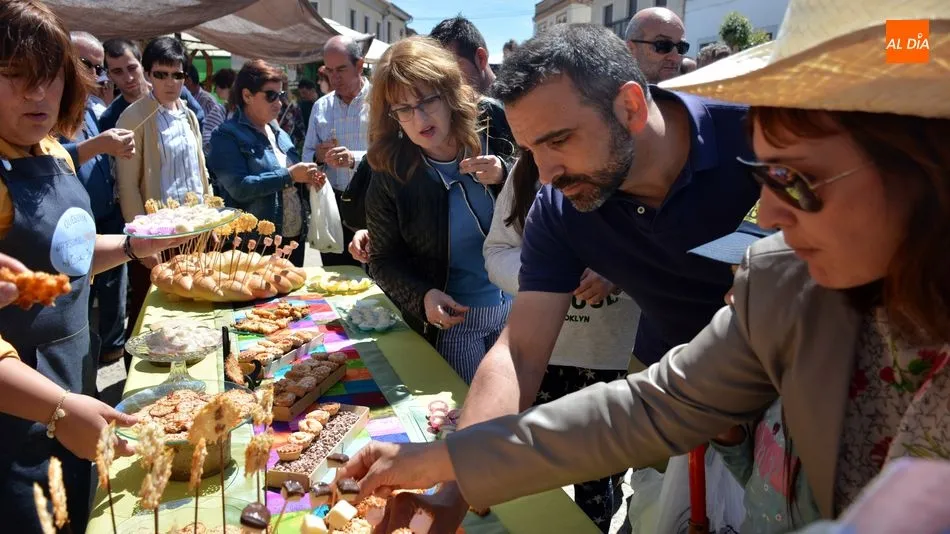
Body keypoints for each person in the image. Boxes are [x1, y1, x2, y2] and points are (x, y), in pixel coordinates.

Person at [341, 5, 950, 534]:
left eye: (794, 180)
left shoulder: (748, 152)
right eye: (764, 180)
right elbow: (641, 403)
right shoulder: (778, 284)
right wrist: (450, 472)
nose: (769, 220)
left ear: (919, 165)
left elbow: (916, 40)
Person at [349, 22, 761, 530]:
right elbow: (519, 353)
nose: (545, 173)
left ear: (630, 107)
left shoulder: (760, 135)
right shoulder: (559, 203)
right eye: (529, 149)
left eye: (559, 140)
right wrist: (451, 494)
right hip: (694, 413)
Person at [0, 2, 183, 530]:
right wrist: (55, 408)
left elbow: (69, 257)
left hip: (73, 383)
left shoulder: (53, 149)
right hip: (18, 413)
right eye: (15, 77)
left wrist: (132, 247)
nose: (37, 94)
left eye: (49, 78)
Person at [483, 152, 641, 531]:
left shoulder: (631, 167)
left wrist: (615, 274)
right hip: (540, 355)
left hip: (609, 361)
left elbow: (666, 259)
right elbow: (496, 251)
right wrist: (544, 277)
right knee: (526, 478)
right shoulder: (527, 170)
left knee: (597, 485)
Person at [365, 37, 512, 384]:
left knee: (510, 414)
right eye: (403, 109)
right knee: (471, 421)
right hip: (453, 325)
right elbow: (383, 260)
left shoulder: (493, 123)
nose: (419, 118)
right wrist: (423, 297)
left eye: (426, 100)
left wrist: (507, 173)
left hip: (514, 312)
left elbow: (544, 186)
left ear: (449, 92)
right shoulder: (390, 169)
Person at [115, 36, 210, 370]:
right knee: (146, 310)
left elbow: (200, 172)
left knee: (190, 308)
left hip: (195, 231)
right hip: (156, 233)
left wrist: (210, 217)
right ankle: (134, 384)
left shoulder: (189, 115)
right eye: (161, 74)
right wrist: (141, 241)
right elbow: (126, 185)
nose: (170, 82)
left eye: (177, 75)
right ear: (147, 74)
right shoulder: (134, 117)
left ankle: (184, 375)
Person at [60, 31, 135, 365]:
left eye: (97, 67)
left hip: (106, 211)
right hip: (74, 220)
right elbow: (49, 159)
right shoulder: (49, 107)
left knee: (113, 287)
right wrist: (98, 145)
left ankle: (110, 346)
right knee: (80, 291)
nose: (94, 74)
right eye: (86, 64)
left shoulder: (92, 106)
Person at [208, 60, 326, 267]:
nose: (279, 103)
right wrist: (289, 175)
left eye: (280, 95)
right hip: (254, 246)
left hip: (292, 241)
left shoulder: (278, 133)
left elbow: (292, 179)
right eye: (271, 95)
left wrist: (308, 180)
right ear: (247, 96)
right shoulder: (226, 135)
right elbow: (239, 188)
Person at [303, 36, 370, 267]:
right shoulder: (321, 106)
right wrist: (317, 158)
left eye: (341, 69)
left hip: (374, 201)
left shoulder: (382, 102)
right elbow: (307, 155)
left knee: (376, 278)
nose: (334, 77)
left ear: (359, 65)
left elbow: (394, 153)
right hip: (334, 204)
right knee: (336, 275)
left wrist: (355, 159)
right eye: (329, 70)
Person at [98, 38, 205, 132]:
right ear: (109, 75)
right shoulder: (110, 119)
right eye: (118, 72)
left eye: (132, 68)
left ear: (142, 65)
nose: (129, 78)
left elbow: (198, 121)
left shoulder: (176, 92)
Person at [429, 16, 496, 95]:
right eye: (438, 71)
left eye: (452, 68)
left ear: (481, 58)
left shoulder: (511, 102)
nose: (445, 80)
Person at [624, 7, 689, 84]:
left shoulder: (692, 94)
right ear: (630, 49)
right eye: (663, 45)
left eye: (681, 47)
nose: (675, 58)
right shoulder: (609, 93)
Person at [185, 63, 226, 154]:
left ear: (189, 80)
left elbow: (211, 132)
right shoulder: (184, 99)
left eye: (179, 77)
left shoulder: (207, 101)